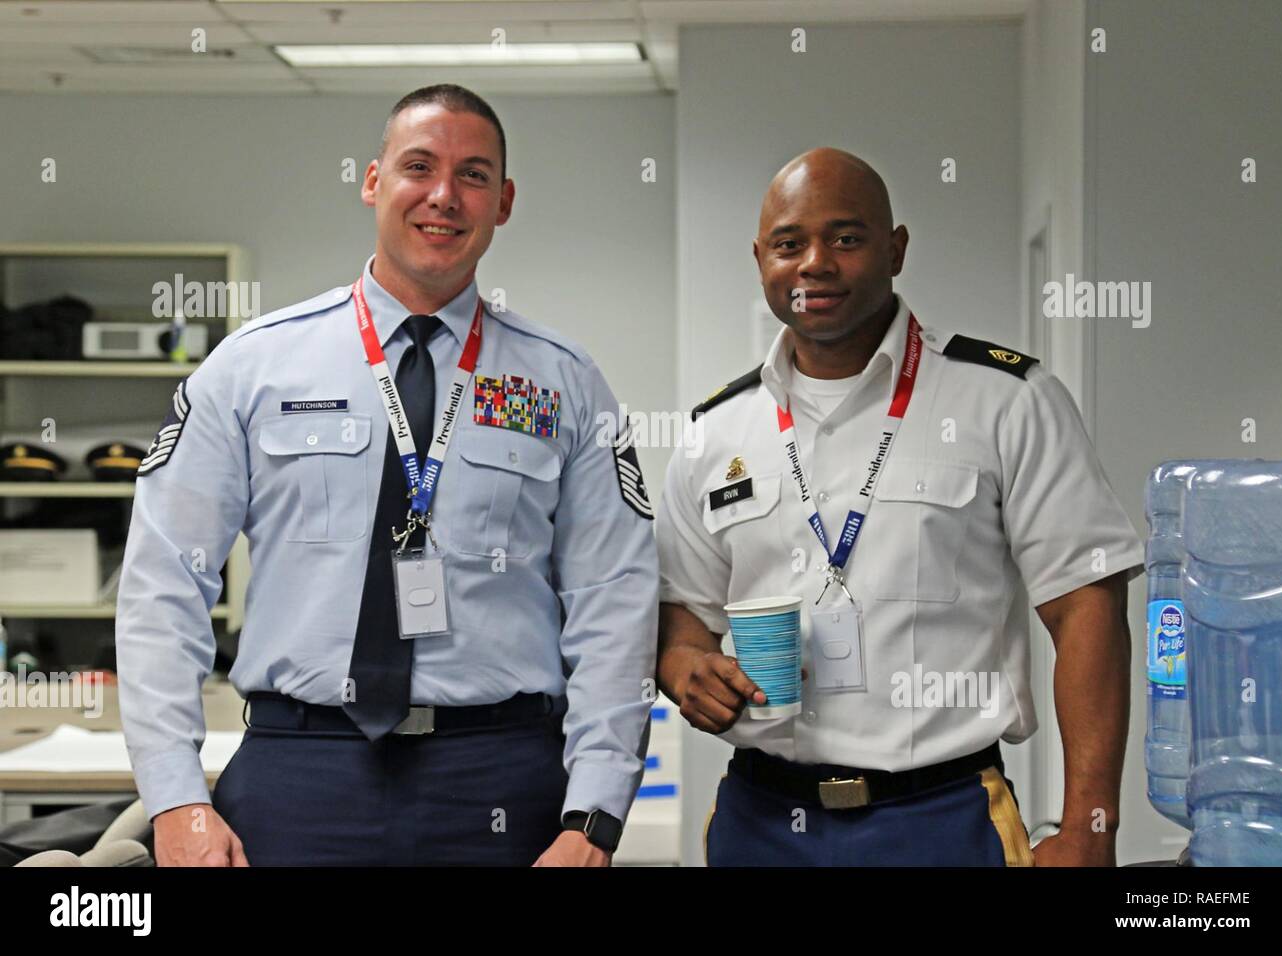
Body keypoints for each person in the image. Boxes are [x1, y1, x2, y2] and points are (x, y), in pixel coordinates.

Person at [116, 84, 658, 866]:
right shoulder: (255, 365)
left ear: (503, 202)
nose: (444, 195)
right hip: (299, 776)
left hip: (501, 782)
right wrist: (174, 801)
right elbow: (162, 586)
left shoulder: (563, 381)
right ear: (374, 181)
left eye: (474, 175)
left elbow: (616, 601)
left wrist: (594, 817)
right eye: (419, 166)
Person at [655, 147, 1142, 866]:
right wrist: (683, 667)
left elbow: (1086, 609)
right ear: (760, 259)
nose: (815, 263)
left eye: (846, 239)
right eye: (789, 244)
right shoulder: (714, 431)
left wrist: (1091, 826)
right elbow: (683, 618)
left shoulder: (1005, 399)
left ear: (897, 248)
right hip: (761, 825)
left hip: (942, 822)